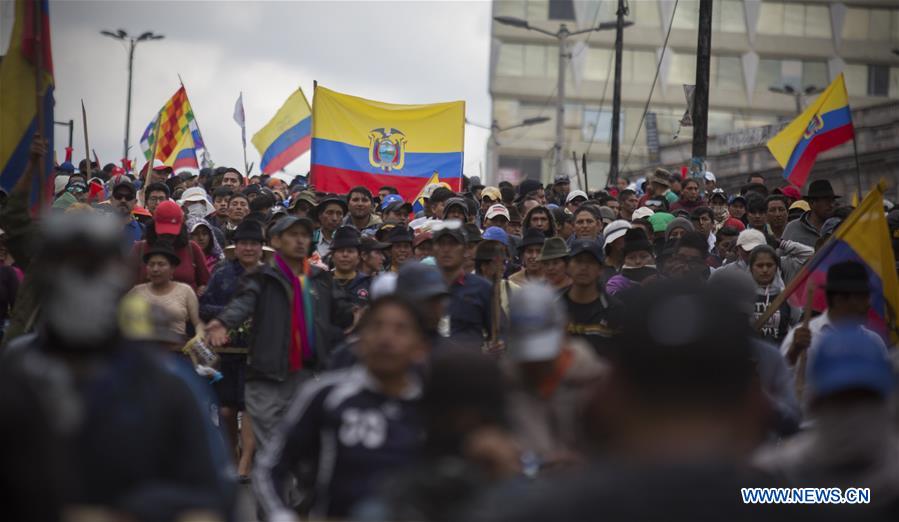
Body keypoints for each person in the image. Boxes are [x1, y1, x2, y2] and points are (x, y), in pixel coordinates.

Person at [1, 212, 229, 521]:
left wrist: (126, 512)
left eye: (93, 267)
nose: (80, 283)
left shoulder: (164, 382)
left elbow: (213, 495)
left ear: (118, 274)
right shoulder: (16, 373)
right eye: (65, 266)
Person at [253, 296, 427, 520]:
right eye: (376, 327)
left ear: (420, 348)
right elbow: (270, 466)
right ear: (360, 341)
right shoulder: (326, 396)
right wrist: (281, 516)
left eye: (400, 329)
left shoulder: (433, 406)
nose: (386, 338)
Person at [206, 216, 339, 456]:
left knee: (302, 442)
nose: (299, 241)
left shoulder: (320, 279)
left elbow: (340, 312)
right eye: (292, 235)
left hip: (306, 373)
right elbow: (243, 303)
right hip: (267, 374)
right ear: (276, 241)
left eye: (304, 235)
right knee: (273, 446)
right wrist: (223, 322)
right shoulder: (261, 277)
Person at [756, 326, 899, 508]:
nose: (853, 412)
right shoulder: (777, 475)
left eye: (864, 398)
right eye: (840, 399)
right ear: (816, 403)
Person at [503, 282, 606, 473]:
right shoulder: (506, 385)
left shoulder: (597, 384)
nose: (537, 363)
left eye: (544, 353)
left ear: (565, 328)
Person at [199, 220, 264, 482]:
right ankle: (233, 453)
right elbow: (204, 306)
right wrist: (231, 314)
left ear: (261, 247)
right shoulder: (223, 274)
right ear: (236, 247)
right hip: (225, 352)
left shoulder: (269, 275)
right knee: (226, 410)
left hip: (258, 353)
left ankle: (246, 461)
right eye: (244, 243)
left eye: (254, 243)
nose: (248, 248)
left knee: (249, 408)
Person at [780, 261, 886, 368]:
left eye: (868, 297)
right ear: (838, 299)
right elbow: (781, 379)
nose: (869, 304)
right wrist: (794, 353)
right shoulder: (804, 339)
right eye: (862, 298)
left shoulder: (874, 342)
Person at [433, 221, 492, 346]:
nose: (446, 249)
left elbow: (499, 331)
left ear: (465, 249)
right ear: (434, 249)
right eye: (441, 244)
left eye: (453, 244)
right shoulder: (424, 288)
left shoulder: (482, 288)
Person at [131, 200, 211, 292]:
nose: (167, 237)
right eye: (163, 233)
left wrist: (202, 289)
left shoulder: (192, 249)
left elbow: (207, 283)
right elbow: (124, 284)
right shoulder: (140, 249)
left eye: (171, 233)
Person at [562, 240, 619, 356]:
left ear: (601, 269)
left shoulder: (614, 309)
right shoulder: (555, 306)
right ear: (568, 266)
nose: (584, 267)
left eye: (591, 262)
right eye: (578, 261)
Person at [747, 245, 798, 343]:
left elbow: (796, 323)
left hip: (780, 354)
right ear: (751, 268)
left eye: (769, 265)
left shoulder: (787, 296)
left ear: (776, 268)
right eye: (760, 265)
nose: (765, 270)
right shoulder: (742, 296)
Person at [782, 180, 840, 247]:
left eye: (832, 201)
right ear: (812, 203)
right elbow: (781, 255)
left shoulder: (839, 226)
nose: (831, 205)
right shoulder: (792, 228)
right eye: (827, 201)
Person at [605, 229, 659, 296]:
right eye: (631, 257)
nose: (638, 261)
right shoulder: (616, 284)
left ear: (653, 258)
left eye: (644, 256)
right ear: (624, 260)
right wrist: (641, 288)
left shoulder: (662, 279)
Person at [330, 226, 372, 311]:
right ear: (332, 256)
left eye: (350, 251)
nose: (345, 255)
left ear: (359, 257)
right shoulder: (323, 282)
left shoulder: (370, 284)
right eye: (341, 250)